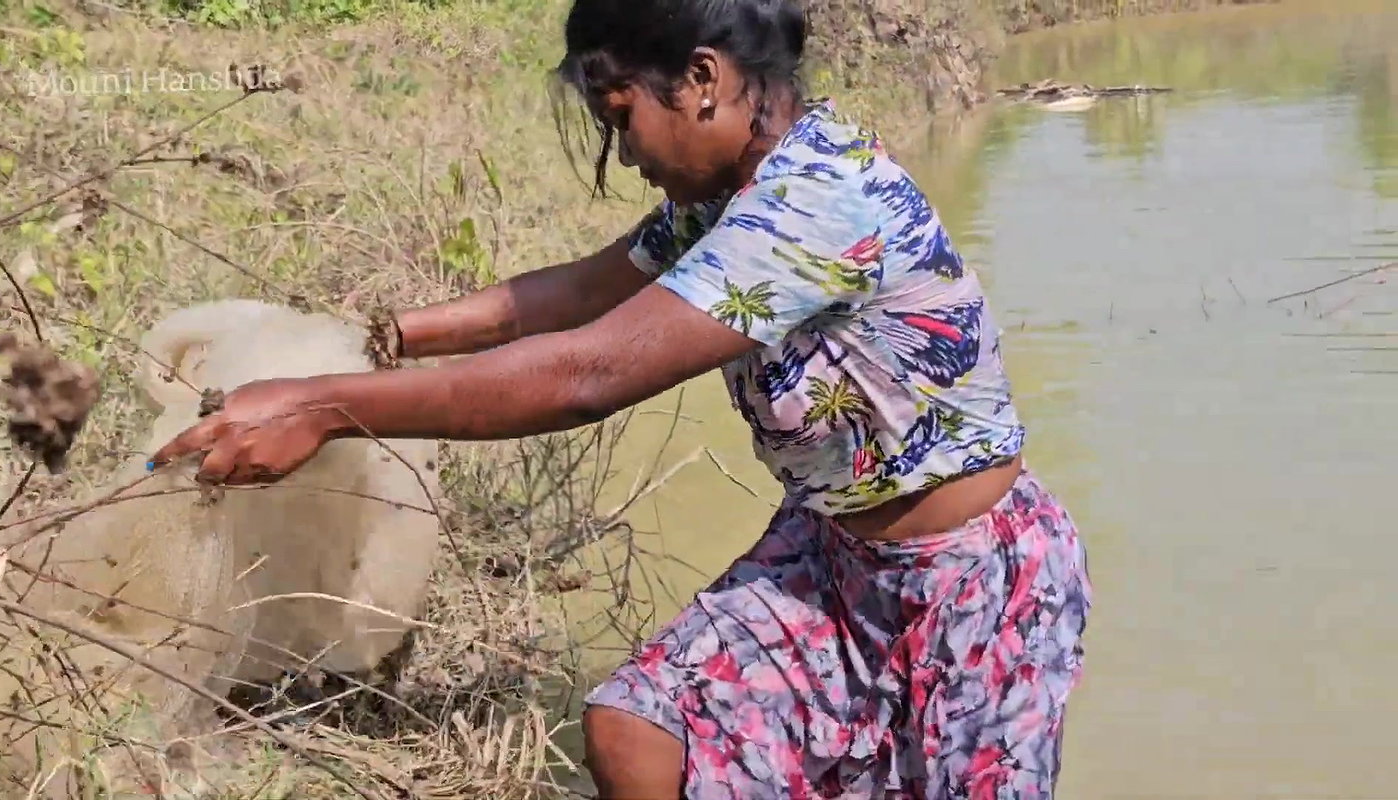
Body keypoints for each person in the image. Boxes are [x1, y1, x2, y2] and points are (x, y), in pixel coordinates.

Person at [150, 0, 1093, 796]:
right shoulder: (726, 194)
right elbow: (579, 293)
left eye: (621, 115)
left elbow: (588, 373)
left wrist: (324, 406)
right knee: (639, 729)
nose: (625, 152)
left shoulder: (816, 204)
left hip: (968, 586)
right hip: (831, 550)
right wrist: (387, 338)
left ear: (703, 78)